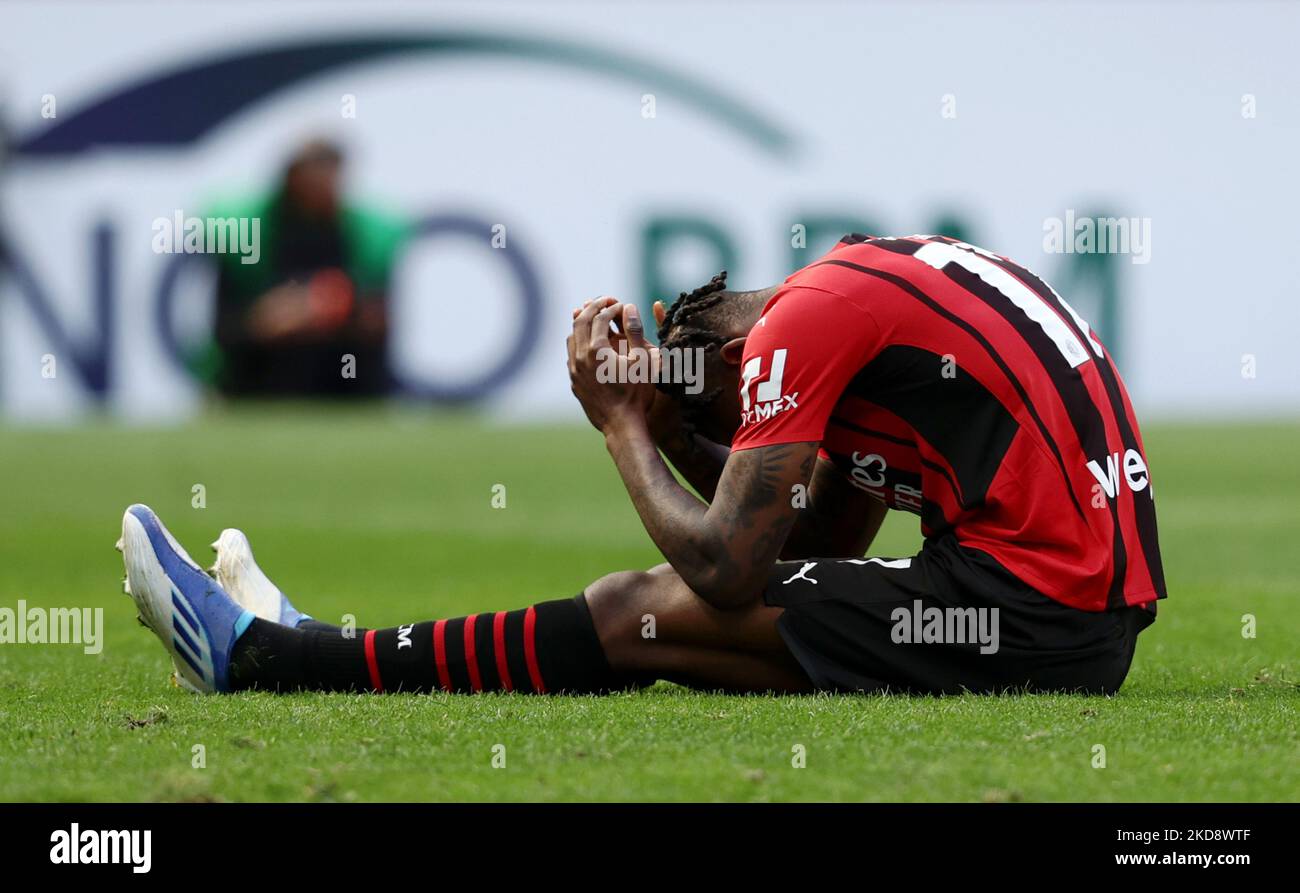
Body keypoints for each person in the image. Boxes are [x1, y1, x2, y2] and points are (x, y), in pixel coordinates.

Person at [118, 233, 1164, 696]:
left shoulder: (806, 326)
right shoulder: (854, 307)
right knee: (678, 623)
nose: (748, 431)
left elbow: (726, 568)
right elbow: (811, 542)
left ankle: (278, 661)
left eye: (715, 405)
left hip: (1031, 611)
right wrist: (671, 431)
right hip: (1059, 609)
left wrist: (623, 426)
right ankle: (306, 644)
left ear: (724, 359)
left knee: (641, 610)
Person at [208, 139, 404, 397]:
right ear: (292, 178)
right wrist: (265, 320)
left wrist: (335, 309)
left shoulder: (368, 236)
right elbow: (224, 327)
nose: (325, 187)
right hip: (261, 380)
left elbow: (381, 321)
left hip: (342, 380)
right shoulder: (247, 235)